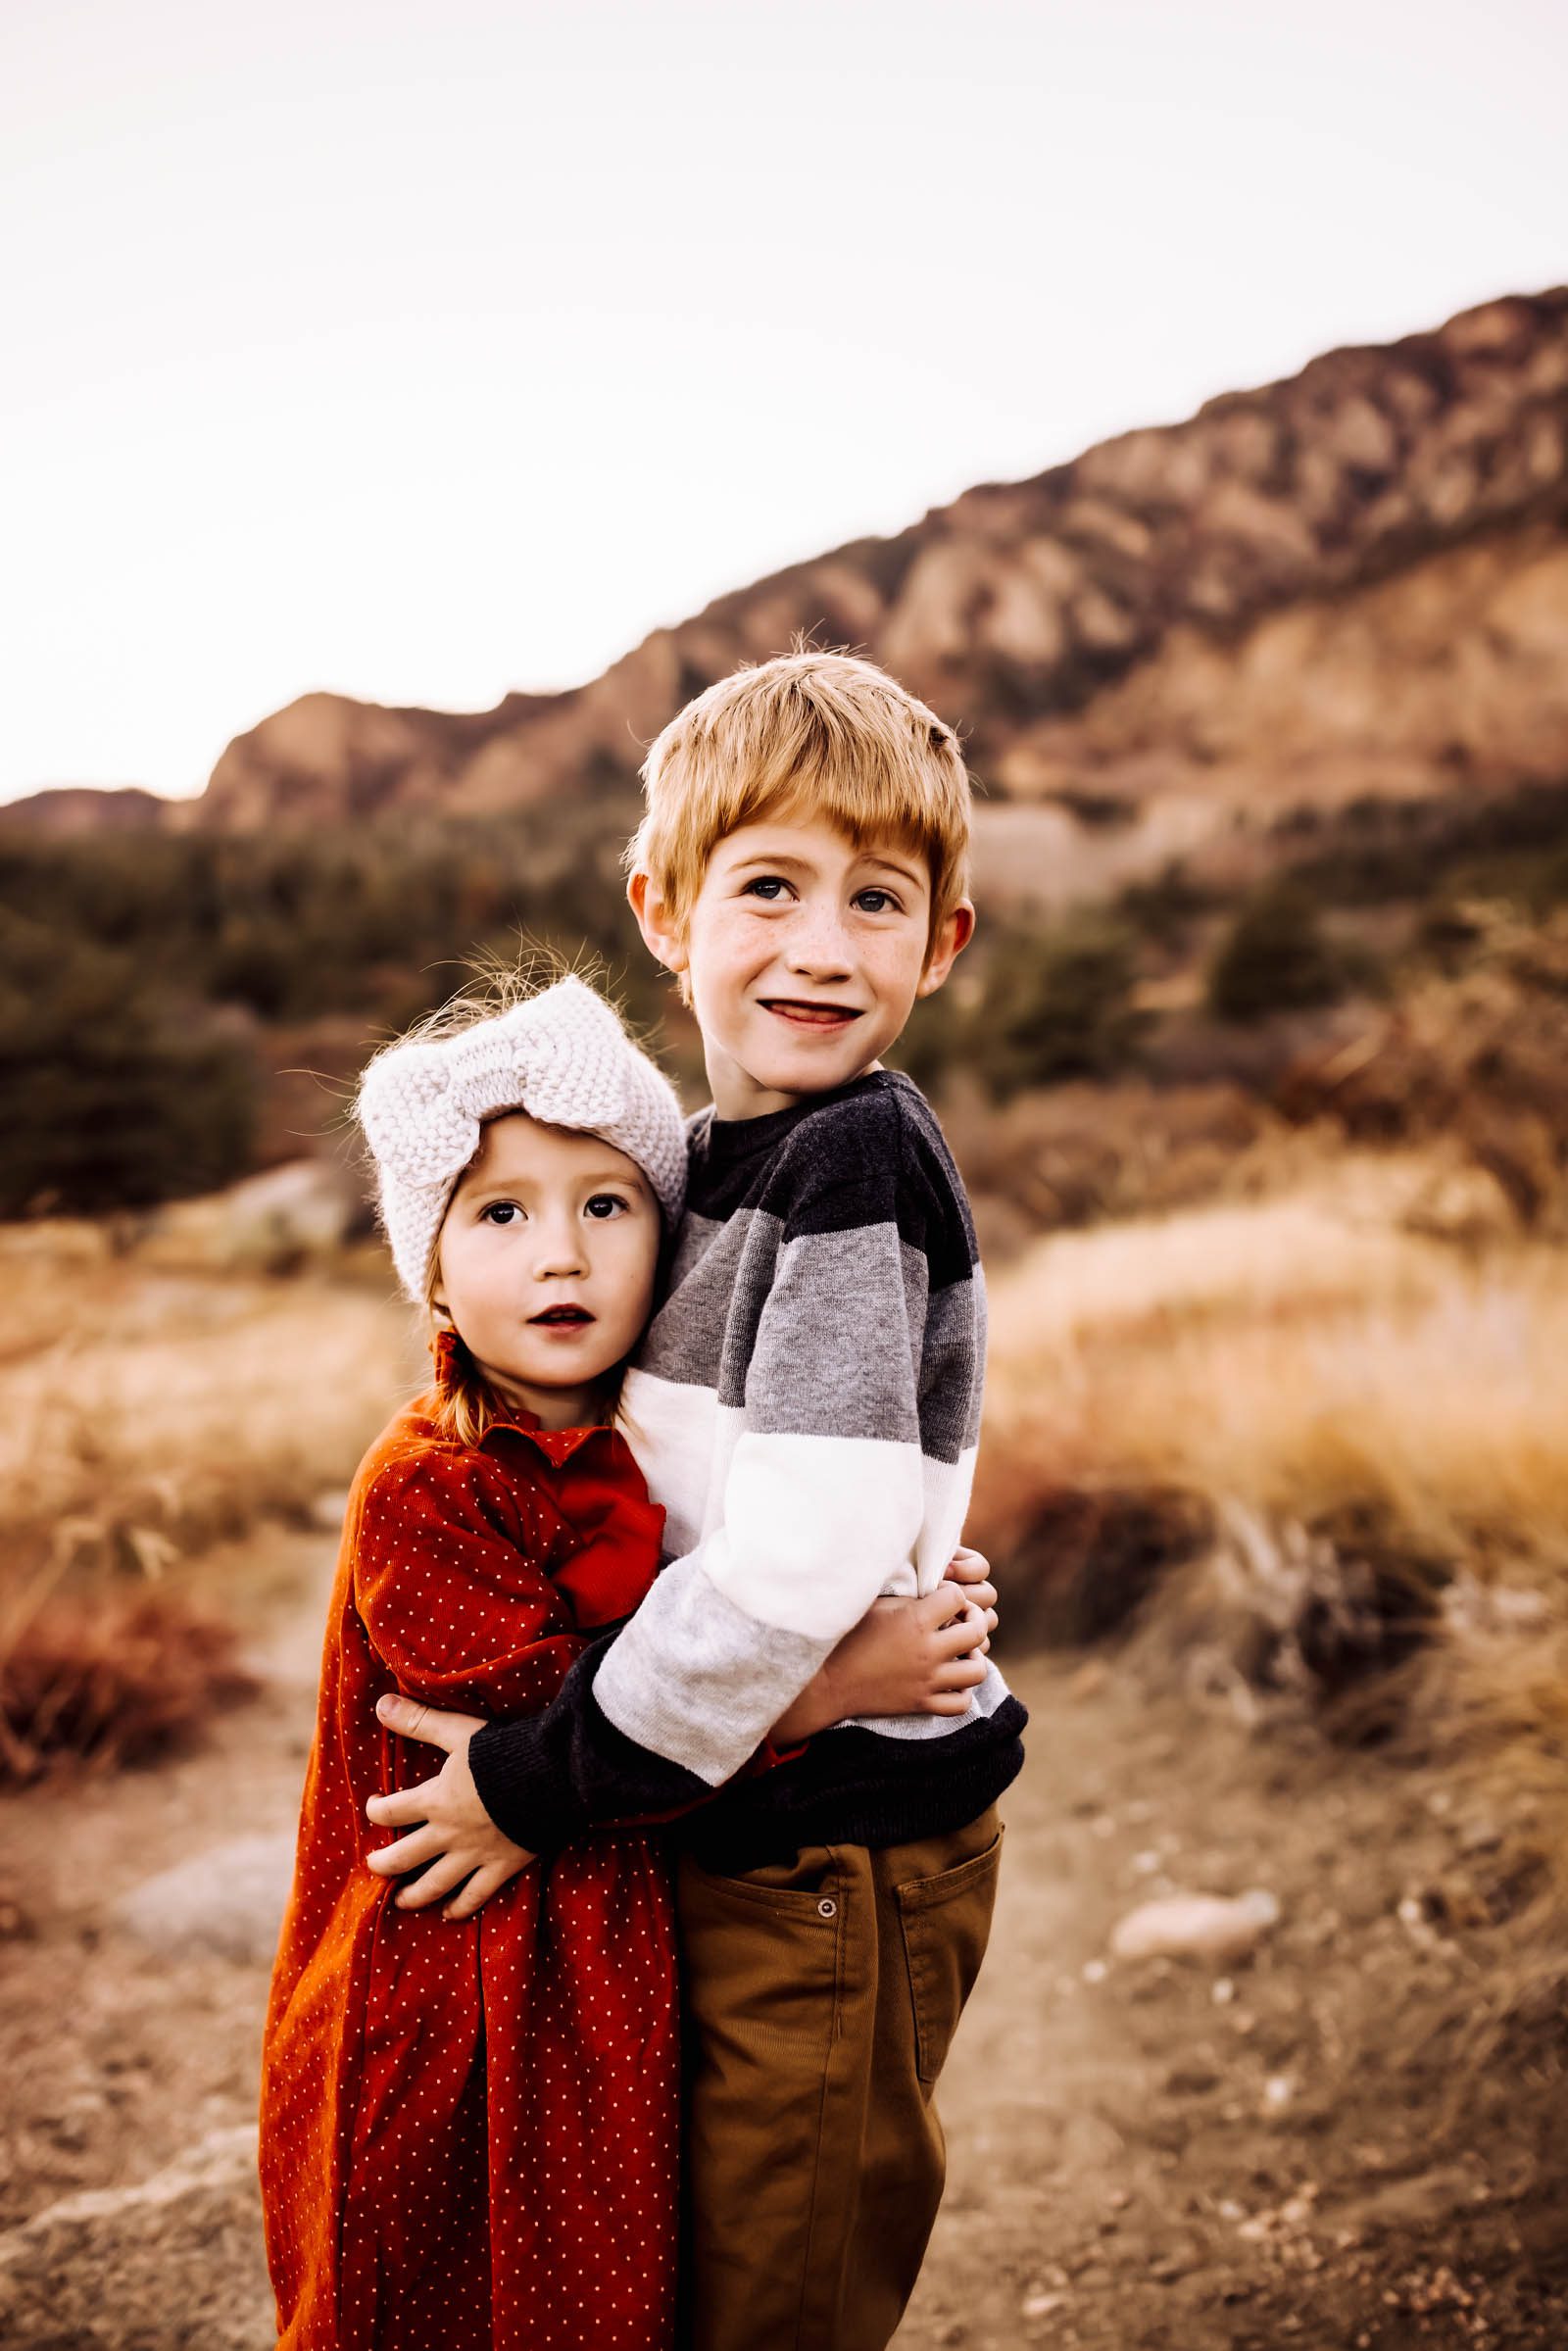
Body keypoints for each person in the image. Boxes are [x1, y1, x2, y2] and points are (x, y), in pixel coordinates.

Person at [366, 653, 1027, 2351]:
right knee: (698, 2257)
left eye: (876, 899)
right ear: (664, 908)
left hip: (839, 1846)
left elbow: (798, 1557)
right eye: (770, 888)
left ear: (941, 942)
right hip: (747, 1811)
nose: (821, 945)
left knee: (775, 2285)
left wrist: (534, 1780)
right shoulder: (701, 1173)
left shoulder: (852, 1161)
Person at [260, 969, 995, 2351]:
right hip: (467, 1982)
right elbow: (566, 1731)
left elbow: (747, 1561)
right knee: (452, 2284)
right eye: (501, 1214)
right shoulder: (434, 1484)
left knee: (610, 2287)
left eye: (607, 1207)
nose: (562, 1256)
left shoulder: (640, 1440)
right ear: (431, 1260)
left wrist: (875, 1569)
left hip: (596, 1971)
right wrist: (834, 1680)